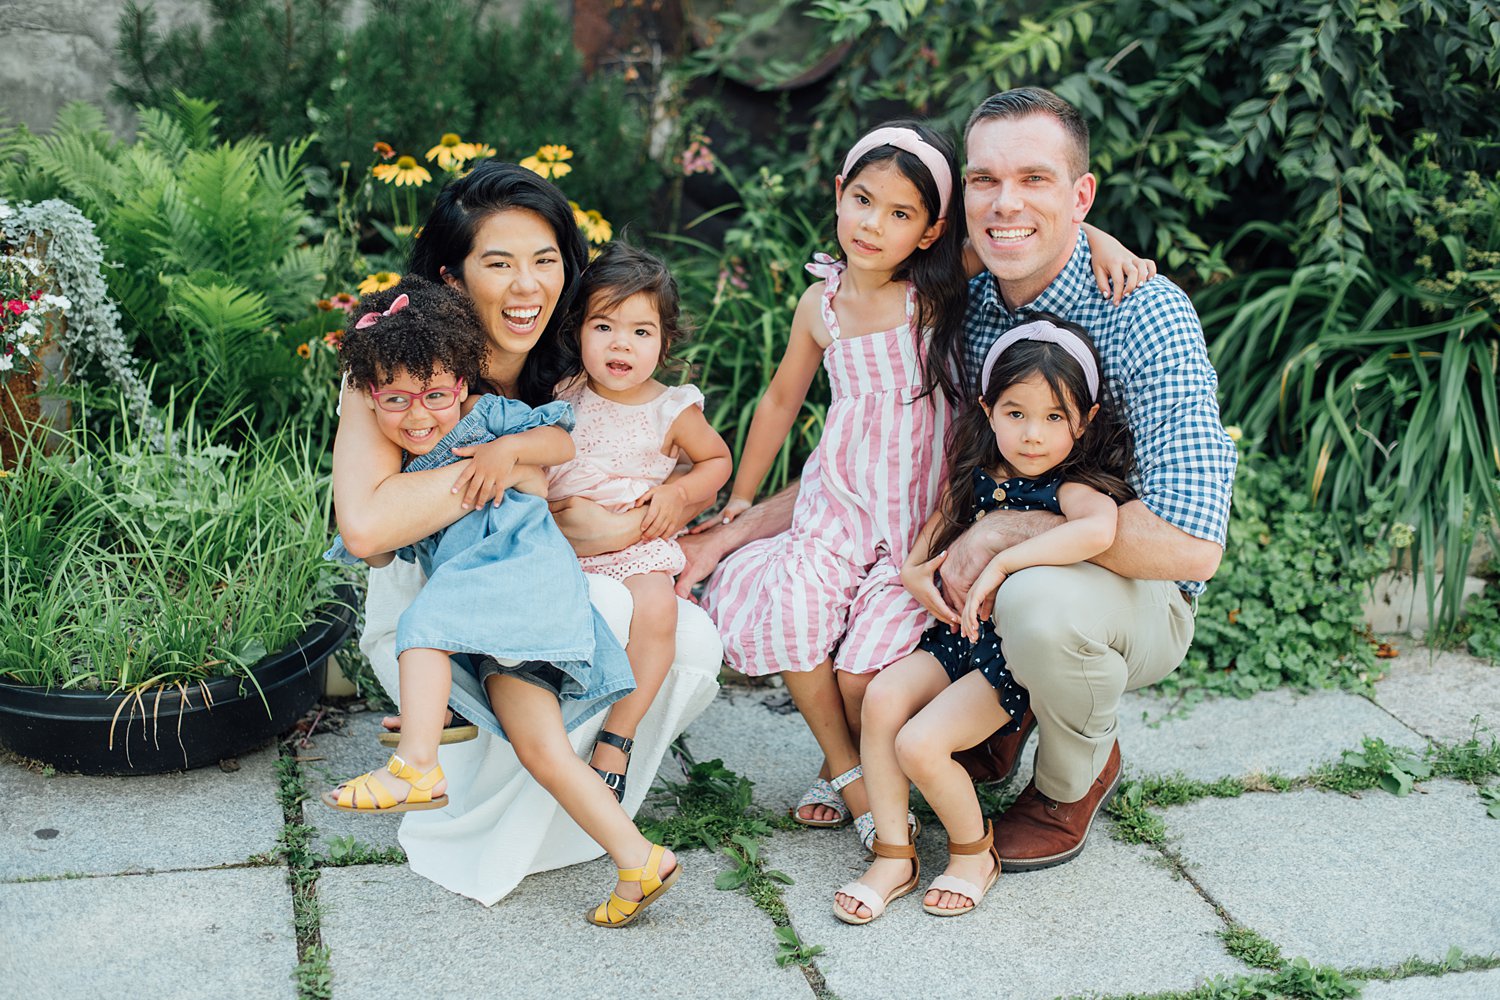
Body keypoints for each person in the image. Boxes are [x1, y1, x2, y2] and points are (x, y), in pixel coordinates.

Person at [682, 86, 1234, 872]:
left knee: (1034, 598)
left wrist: (1008, 531)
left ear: (1081, 195)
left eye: (1035, 180)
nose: (1006, 203)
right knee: (846, 573)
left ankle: (1072, 774)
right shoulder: (958, 303)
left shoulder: (1143, 314)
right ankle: (993, 715)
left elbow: (1192, 547)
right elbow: (873, 461)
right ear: (962, 198)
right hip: (977, 567)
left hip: (1131, 588)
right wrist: (731, 530)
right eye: (985, 180)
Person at [332, 161, 721, 908]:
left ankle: (590, 820)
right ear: (451, 276)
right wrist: (514, 473)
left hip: (541, 585)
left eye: (546, 262)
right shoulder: (400, 366)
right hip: (434, 619)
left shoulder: (581, 358)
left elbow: (629, 462)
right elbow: (368, 529)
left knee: (690, 639)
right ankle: (482, 805)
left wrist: (638, 515)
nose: (527, 287)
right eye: (499, 263)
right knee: (607, 615)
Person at [833, 316, 1134, 923]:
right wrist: (918, 572)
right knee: (883, 698)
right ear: (987, 409)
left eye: (1055, 417)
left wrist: (1008, 560)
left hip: (1012, 661)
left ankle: (974, 852)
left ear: (1087, 419)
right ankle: (895, 852)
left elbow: (1101, 530)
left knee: (921, 743)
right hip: (955, 638)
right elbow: (938, 526)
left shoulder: (1070, 487)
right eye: (1016, 413)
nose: (1032, 435)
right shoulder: (978, 472)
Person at [546, 242, 732, 802]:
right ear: (578, 330)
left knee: (656, 611)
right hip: (564, 539)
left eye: (641, 332)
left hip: (636, 541)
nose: (621, 343)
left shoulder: (671, 408)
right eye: (604, 326)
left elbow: (717, 461)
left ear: (665, 342)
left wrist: (680, 493)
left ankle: (618, 736)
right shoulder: (562, 394)